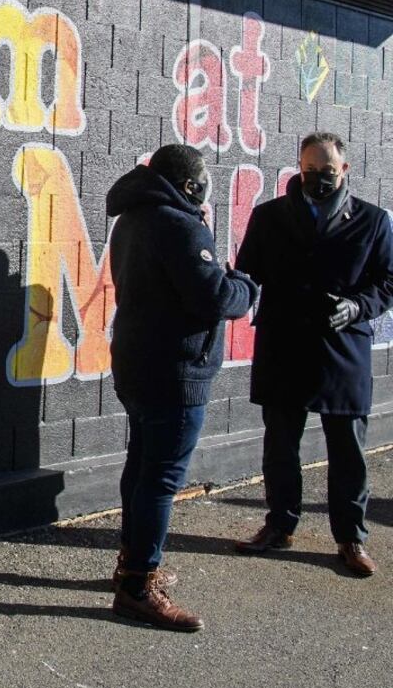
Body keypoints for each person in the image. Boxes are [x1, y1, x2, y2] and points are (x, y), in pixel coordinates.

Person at [106, 144, 257, 631]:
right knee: (162, 478)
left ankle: (132, 563)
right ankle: (138, 586)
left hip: (137, 362)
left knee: (141, 466)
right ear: (190, 185)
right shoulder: (180, 225)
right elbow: (215, 296)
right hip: (175, 371)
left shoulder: (132, 218)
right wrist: (246, 285)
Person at [232, 132, 393, 576]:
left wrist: (357, 307)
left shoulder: (373, 220)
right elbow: (247, 274)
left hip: (342, 349)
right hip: (283, 345)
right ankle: (279, 525)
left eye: (326, 171)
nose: (317, 179)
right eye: (309, 171)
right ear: (298, 169)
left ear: (344, 170)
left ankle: (351, 537)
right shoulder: (269, 216)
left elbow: (388, 281)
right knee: (280, 445)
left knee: (348, 450)